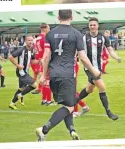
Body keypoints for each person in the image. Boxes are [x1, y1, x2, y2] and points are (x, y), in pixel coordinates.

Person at [35, 9, 101, 141]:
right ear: (72, 17)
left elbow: (46, 56)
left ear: (58, 17)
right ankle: (44, 129)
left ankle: (72, 131)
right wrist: (95, 71)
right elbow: (82, 57)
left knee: (67, 104)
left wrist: (43, 75)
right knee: (70, 106)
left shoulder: (50, 34)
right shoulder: (76, 34)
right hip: (68, 74)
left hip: (53, 75)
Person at [76, 17, 121, 121]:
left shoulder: (103, 38)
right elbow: (78, 51)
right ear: (89, 26)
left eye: (94, 25)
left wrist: (117, 57)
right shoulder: (83, 38)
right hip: (89, 68)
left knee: (89, 89)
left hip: (98, 67)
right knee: (102, 87)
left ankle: (74, 100)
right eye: (90, 25)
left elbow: (110, 50)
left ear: (98, 26)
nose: (92, 26)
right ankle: (108, 112)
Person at [8, 34, 40, 110]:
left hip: (25, 71)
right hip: (21, 72)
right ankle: (20, 95)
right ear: (25, 41)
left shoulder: (31, 50)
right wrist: (17, 65)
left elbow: (32, 61)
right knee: (35, 85)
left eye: (32, 40)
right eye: (29, 40)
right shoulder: (22, 50)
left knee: (21, 88)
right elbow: (10, 57)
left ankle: (12, 103)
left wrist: (40, 61)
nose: (31, 42)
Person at [31, 23, 54, 105]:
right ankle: (48, 101)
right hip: (46, 61)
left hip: (40, 61)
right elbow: (47, 51)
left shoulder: (37, 39)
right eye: (49, 28)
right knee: (48, 81)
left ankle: (44, 100)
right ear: (44, 29)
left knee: (44, 81)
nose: (49, 30)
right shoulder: (45, 38)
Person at [73, 54, 90, 118]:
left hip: (71, 67)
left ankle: (76, 111)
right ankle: (83, 106)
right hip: (69, 66)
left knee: (71, 90)